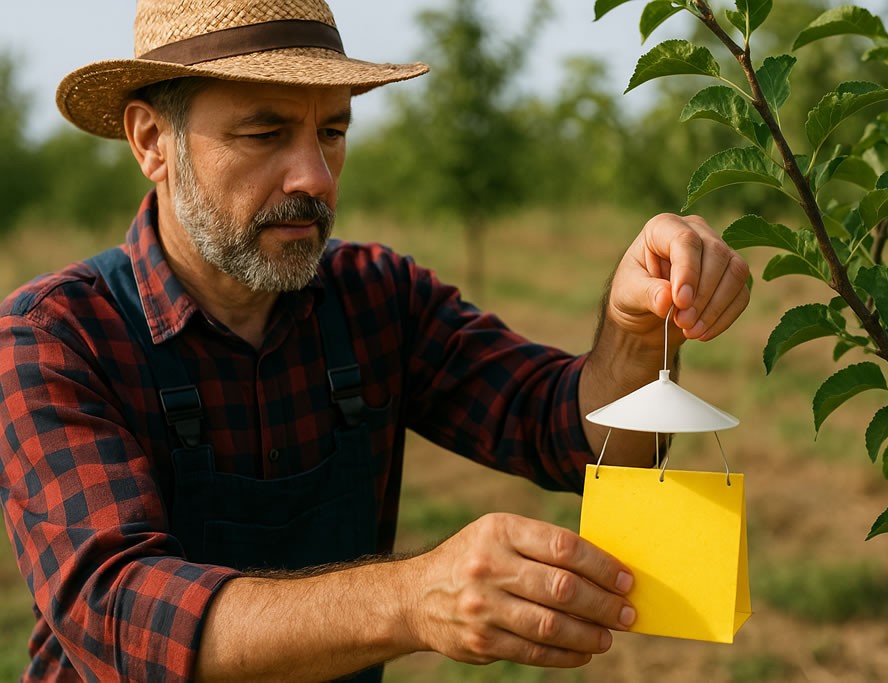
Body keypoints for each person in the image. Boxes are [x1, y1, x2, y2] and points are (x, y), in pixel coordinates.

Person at [0, 1, 751, 681]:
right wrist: (411, 598)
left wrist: (634, 330)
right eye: (264, 133)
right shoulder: (54, 339)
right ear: (151, 141)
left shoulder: (375, 298)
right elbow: (120, 613)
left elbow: (566, 432)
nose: (315, 176)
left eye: (332, 131)